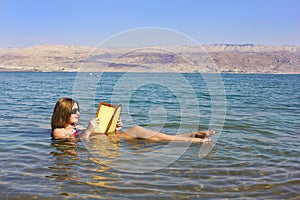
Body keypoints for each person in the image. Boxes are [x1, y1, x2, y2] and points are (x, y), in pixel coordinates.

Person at [51, 97, 215, 143]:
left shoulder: (76, 126)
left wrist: (115, 127)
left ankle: (189, 137)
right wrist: (87, 130)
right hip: (105, 143)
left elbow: (89, 136)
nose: (78, 113)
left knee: (151, 136)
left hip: (110, 139)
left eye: (78, 110)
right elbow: (79, 142)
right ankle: (191, 138)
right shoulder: (58, 131)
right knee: (150, 137)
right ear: (63, 113)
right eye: (74, 111)